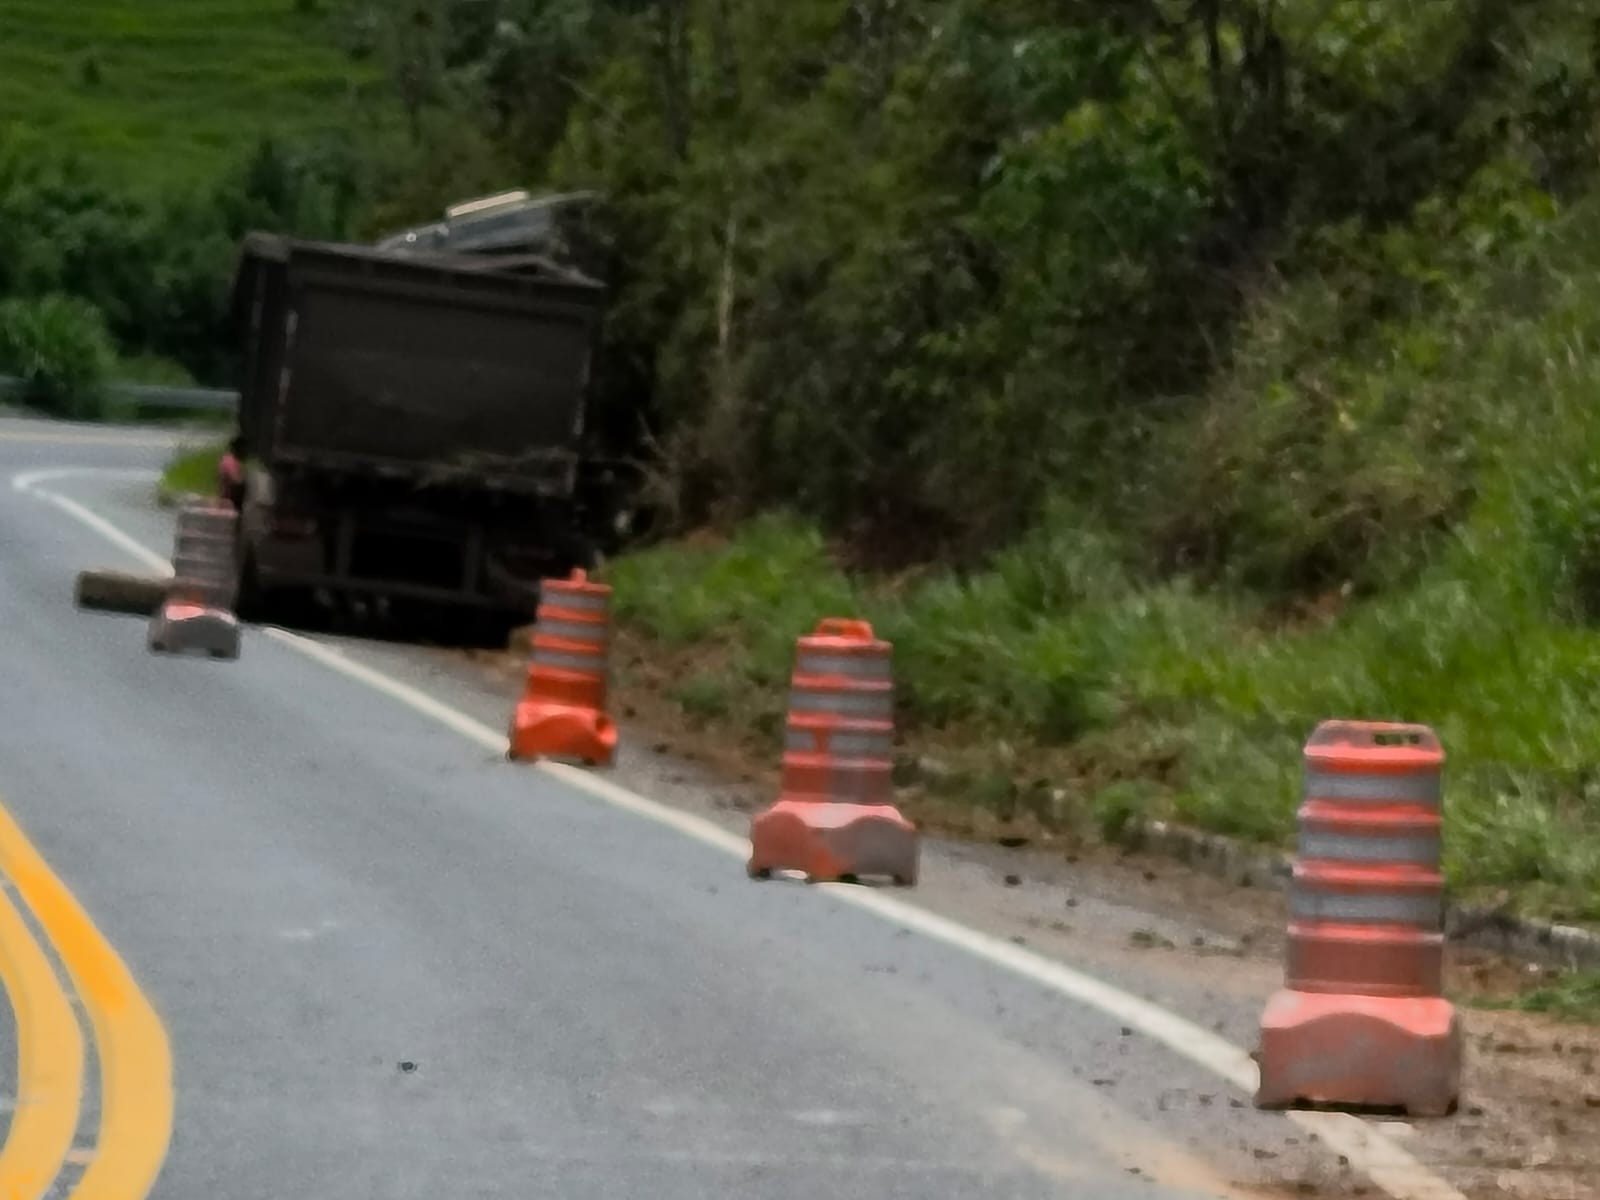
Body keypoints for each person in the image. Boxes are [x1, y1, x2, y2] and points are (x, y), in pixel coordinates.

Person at [217, 436, 246, 510]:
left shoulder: (227, 459)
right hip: (230, 501)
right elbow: (236, 480)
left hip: (227, 499)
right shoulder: (230, 461)